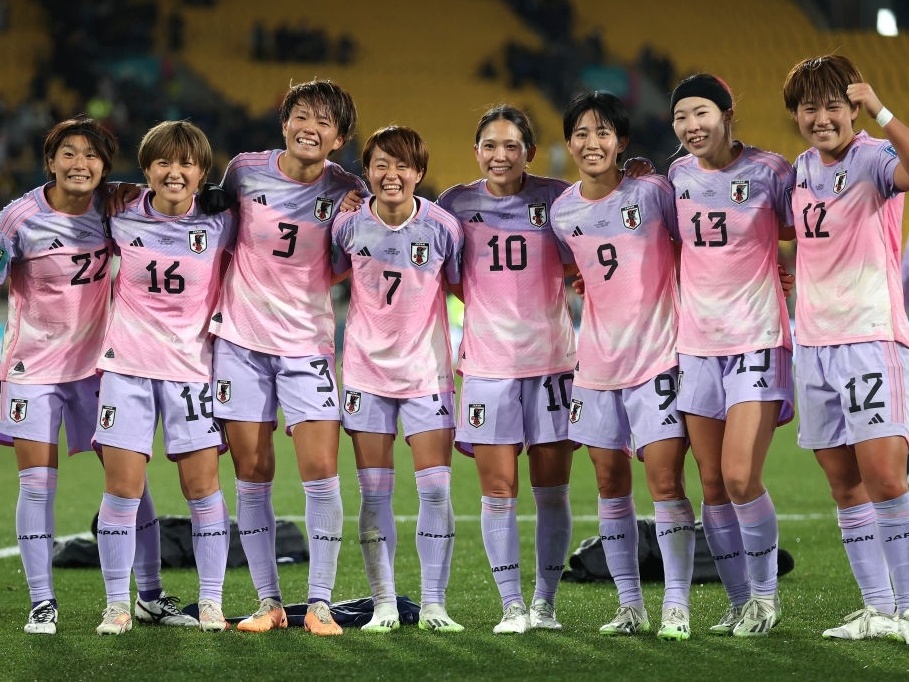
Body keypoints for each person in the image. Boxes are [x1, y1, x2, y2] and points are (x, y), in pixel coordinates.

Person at [0, 115, 194, 635]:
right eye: (68, 153)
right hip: (32, 370)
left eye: (91, 154)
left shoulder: (117, 206)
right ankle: (42, 602)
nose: (79, 163)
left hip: (102, 368)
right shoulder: (17, 219)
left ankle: (151, 595)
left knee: (131, 486)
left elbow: (174, 191)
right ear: (50, 162)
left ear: (104, 167)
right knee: (37, 486)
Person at [209, 79, 367, 635]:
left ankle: (319, 604)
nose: (310, 127)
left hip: (308, 345)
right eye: (302, 115)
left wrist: (357, 210)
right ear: (284, 122)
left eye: (324, 122)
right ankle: (268, 603)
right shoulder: (244, 171)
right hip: (241, 343)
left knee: (321, 470)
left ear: (340, 138)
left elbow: (354, 255)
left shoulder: (349, 188)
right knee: (251, 474)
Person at [551, 91, 695, 640]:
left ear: (622, 142)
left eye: (604, 132)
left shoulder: (653, 191)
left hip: (656, 356)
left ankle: (676, 605)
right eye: (582, 133)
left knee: (665, 483)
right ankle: (630, 606)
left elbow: (699, 245)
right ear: (569, 143)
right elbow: (572, 269)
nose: (592, 143)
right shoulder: (563, 212)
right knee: (610, 485)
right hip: (596, 366)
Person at [435, 105, 576, 634]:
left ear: (529, 153)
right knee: (497, 490)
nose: (500, 155)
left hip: (553, 363)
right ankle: (512, 605)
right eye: (490, 146)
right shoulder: (455, 203)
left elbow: (583, 254)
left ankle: (545, 603)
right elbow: (450, 275)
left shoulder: (557, 197)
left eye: (511, 146)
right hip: (489, 367)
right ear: (476, 151)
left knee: (551, 490)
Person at [783, 54, 909, 641]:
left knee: (885, 477)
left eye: (833, 105)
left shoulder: (874, 158)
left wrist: (883, 109)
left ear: (853, 107)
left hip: (867, 336)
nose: (821, 117)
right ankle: (879, 609)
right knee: (844, 483)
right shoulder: (799, 171)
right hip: (812, 343)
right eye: (810, 107)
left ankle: (907, 606)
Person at [94, 120, 235, 635]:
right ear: (147, 169)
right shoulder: (119, 214)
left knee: (203, 491)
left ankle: (212, 602)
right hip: (126, 369)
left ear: (202, 171)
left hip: (192, 372)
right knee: (122, 492)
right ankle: (117, 605)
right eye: (163, 162)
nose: (174, 172)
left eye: (186, 163)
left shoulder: (223, 222)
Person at [669, 73, 794, 636]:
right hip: (696, 344)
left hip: (757, 338)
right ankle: (739, 602)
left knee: (742, 477)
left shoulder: (772, 171)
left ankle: (765, 598)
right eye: (680, 117)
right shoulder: (675, 176)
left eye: (701, 113)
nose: (691, 127)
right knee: (713, 484)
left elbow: (805, 233)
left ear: (726, 112)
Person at [332, 125, 464, 633]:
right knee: (374, 495)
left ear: (419, 173)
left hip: (427, 375)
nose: (392, 174)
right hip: (366, 374)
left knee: (435, 493)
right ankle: (384, 603)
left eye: (402, 165)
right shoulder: (348, 227)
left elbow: (458, 285)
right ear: (367, 173)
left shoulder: (443, 227)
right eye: (381, 165)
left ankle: (433, 604)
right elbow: (331, 273)